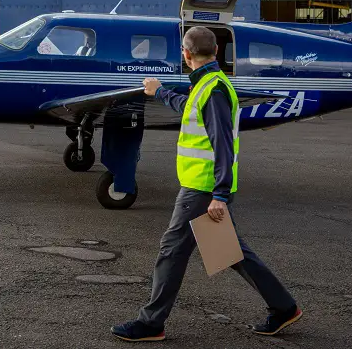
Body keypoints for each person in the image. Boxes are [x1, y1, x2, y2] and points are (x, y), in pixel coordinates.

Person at [110, 26, 302, 343]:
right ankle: (284, 308)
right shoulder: (208, 85)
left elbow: (222, 144)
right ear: (215, 51)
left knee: (172, 251)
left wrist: (220, 195)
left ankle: (151, 322)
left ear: (186, 54)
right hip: (203, 187)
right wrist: (159, 92)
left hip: (203, 190)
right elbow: (188, 108)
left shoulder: (213, 89)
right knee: (229, 253)